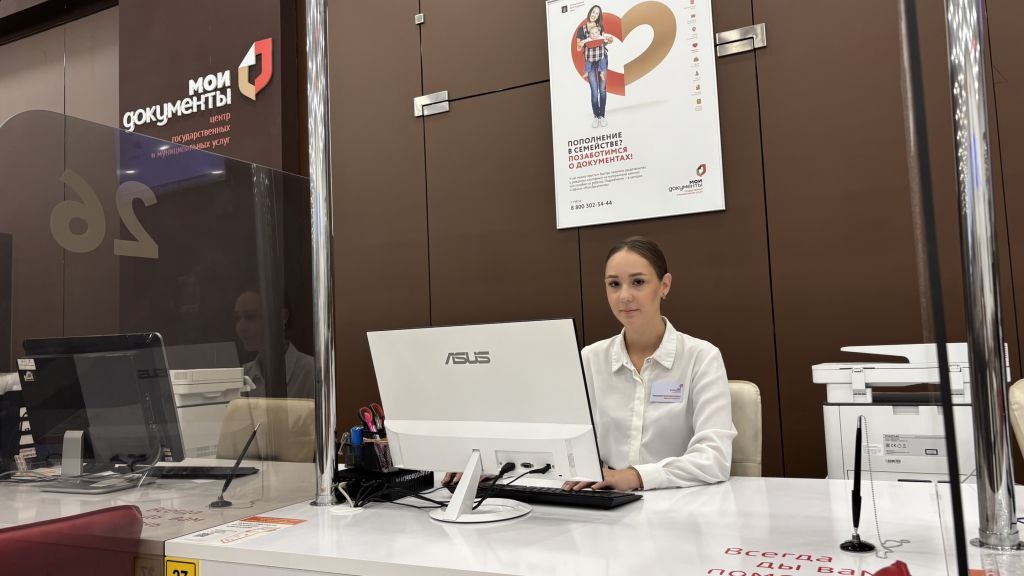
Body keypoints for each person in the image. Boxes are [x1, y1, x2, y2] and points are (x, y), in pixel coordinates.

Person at [563, 237, 736, 491]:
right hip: (607, 501)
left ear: (664, 285)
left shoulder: (701, 357)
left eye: (638, 282)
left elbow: (715, 458)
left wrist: (636, 476)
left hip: (683, 500)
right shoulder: (590, 359)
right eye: (614, 284)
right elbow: (571, 447)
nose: (624, 296)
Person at [234, 288, 315, 399]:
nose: (240, 327)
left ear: (282, 318)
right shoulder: (244, 374)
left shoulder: (312, 372)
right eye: (237, 318)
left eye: (251, 317)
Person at [576, 5, 613, 128]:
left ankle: (602, 116)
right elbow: (578, 48)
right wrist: (583, 42)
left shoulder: (600, 27)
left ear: (598, 16)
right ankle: (596, 116)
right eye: (593, 12)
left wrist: (609, 40)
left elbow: (606, 41)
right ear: (590, 12)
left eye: (597, 13)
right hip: (590, 61)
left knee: (602, 90)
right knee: (594, 91)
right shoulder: (581, 30)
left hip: (602, 58)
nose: (594, 15)